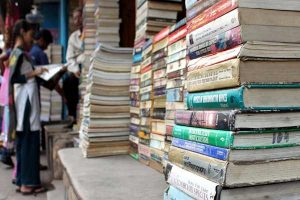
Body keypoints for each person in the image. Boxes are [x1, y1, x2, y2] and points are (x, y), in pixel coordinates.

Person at [9, 19, 47, 195]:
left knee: (24, 143)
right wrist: (35, 72)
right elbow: (14, 79)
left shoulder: (18, 53)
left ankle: (22, 181)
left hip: (24, 104)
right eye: (30, 35)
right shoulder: (18, 53)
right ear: (22, 32)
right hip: (26, 105)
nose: (32, 39)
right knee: (30, 142)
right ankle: (28, 183)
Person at [64, 7, 85, 122]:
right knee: (68, 82)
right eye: (75, 18)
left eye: (79, 17)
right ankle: (72, 115)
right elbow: (69, 58)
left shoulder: (91, 33)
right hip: (78, 69)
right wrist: (75, 69)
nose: (77, 20)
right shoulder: (73, 37)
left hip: (89, 65)